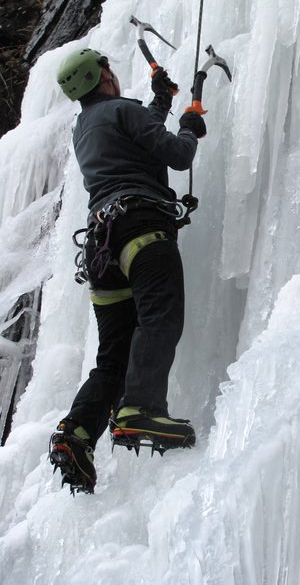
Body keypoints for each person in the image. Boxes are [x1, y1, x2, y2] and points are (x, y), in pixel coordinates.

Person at [49, 47, 205, 494]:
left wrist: (162, 99)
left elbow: (138, 134)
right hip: (141, 230)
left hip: (102, 250)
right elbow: (175, 153)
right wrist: (189, 126)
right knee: (160, 317)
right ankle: (140, 407)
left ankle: (76, 434)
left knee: (113, 358)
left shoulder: (86, 126)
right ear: (102, 75)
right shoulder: (121, 110)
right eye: (109, 70)